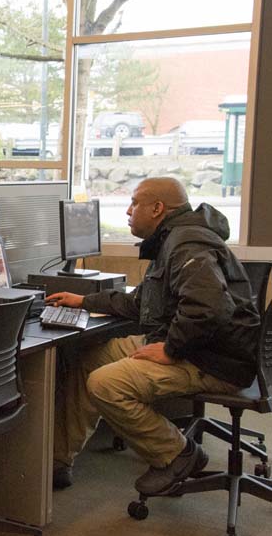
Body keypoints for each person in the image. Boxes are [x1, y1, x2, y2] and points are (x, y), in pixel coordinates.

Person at [47, 177, 259, 495]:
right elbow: (141, 301)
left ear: (157, 208)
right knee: (89, 358)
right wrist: (85, 301)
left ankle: (177, 454)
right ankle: (59, 461)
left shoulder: (186, 243)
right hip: (198, 346)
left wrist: (171, 350)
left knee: (106, 384)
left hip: (213, 360)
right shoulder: (172, 239)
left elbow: (209, 307)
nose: (128, 211)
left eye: (134, 203)